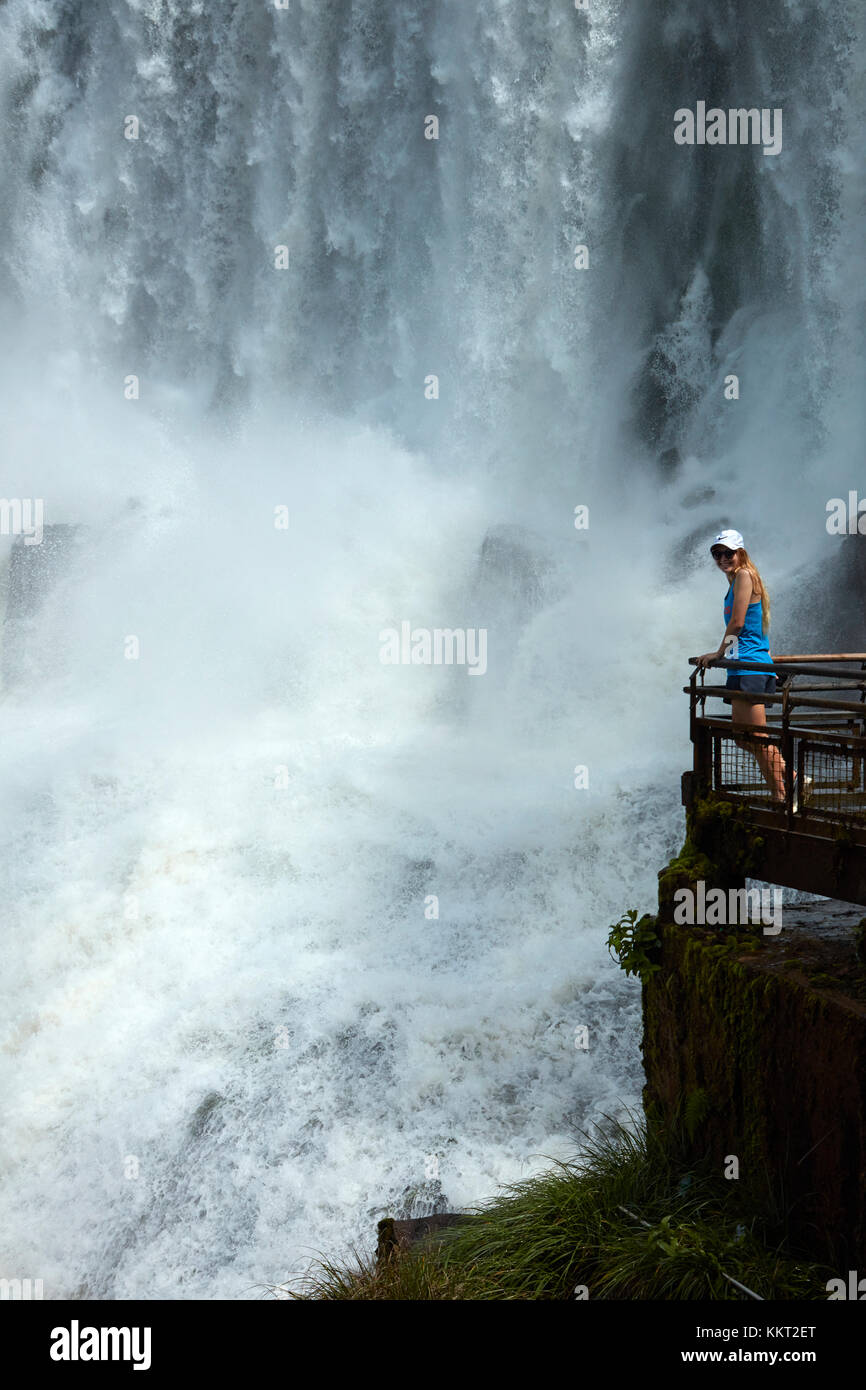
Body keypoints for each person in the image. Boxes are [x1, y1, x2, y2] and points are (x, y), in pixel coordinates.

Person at [697, 528, 787, 802]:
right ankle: (793, 778)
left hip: (750, 666)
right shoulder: (735, 581)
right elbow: (754, 625)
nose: (722, 558)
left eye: (728, 553)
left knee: (757, 737)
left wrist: (717, 652)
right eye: (717, 554)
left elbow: (737, 623)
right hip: (739, 666)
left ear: (741, 553)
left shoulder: (745, 576)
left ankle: (782, 797)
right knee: (742, 738)